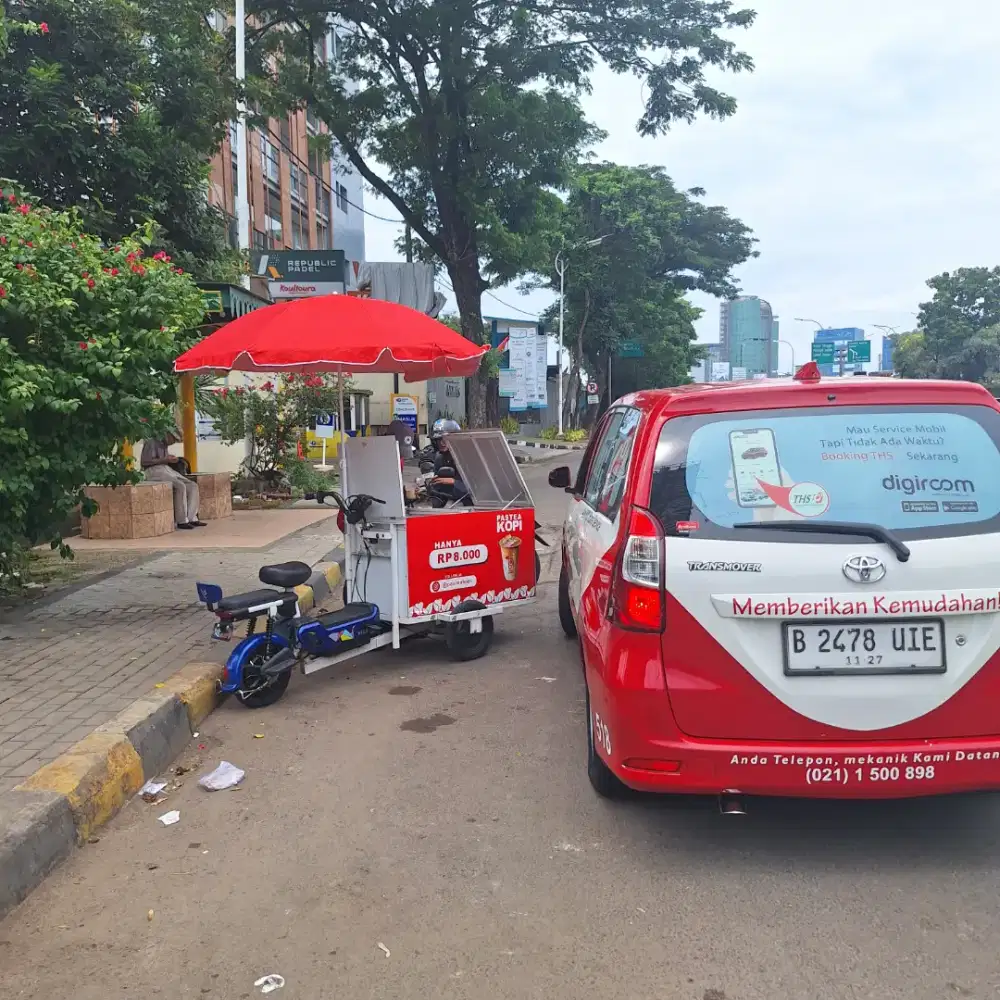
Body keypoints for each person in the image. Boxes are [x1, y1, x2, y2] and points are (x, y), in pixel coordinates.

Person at [140, 429, 205, 529]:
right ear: (167, 434)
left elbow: (163, 460)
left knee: (192, 486)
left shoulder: (164, 445)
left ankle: (192, 517)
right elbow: (144, 462)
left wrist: (171, 460)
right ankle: (182, 521)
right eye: (173, 439)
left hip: (165, 468)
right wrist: (165, 459)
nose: (173, 442)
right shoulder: (151, 442)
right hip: (154, 470)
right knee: (180, 486)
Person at [430, 419, 472, 505]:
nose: (442, 444)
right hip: (448, 502)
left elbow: (478, 490)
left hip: (469, 504)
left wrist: (454, 482)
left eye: (445, 440)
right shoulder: (440, 457)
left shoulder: (468, 458)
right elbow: (437, 487)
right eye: (439, 440)